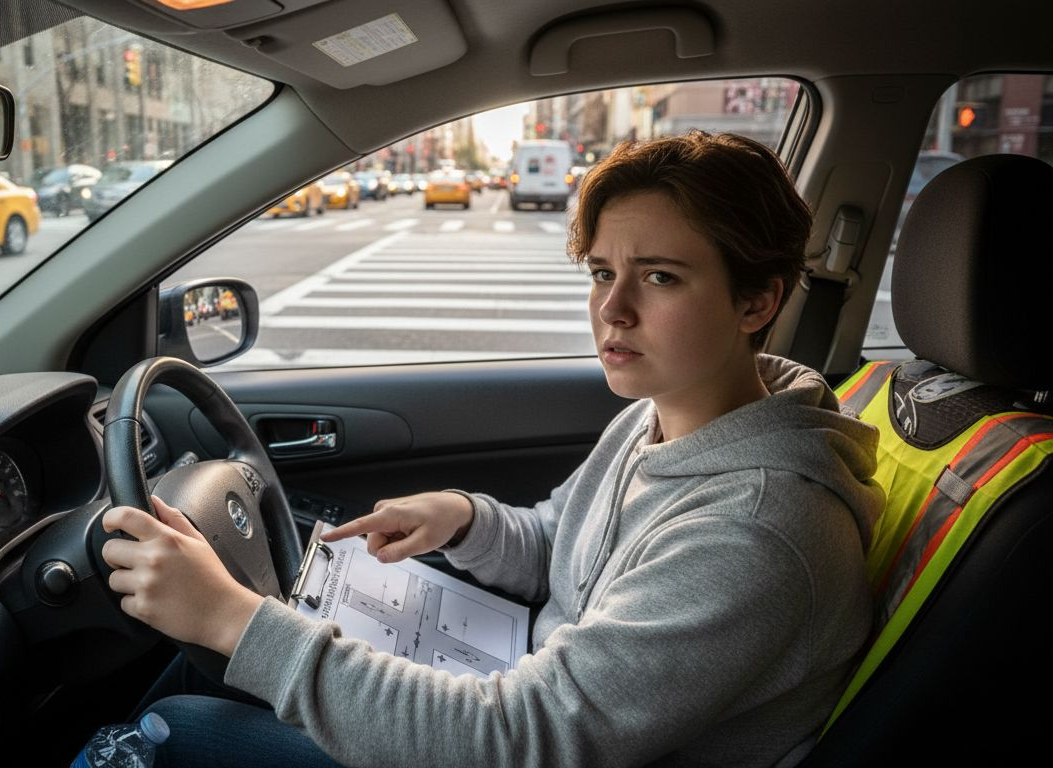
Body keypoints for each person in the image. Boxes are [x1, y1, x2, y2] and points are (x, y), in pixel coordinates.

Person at [100, 131, 884, 767]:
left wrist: (234, 620)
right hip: (524, 694)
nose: (612, 309)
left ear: (757, 301)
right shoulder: (664, 413)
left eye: (661, 278)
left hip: (523, 736)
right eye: (603, 272)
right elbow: (562, 542)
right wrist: (464, 520)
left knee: (176, 727)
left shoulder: (759, 529)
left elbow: (521, 739)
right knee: (207, 655)